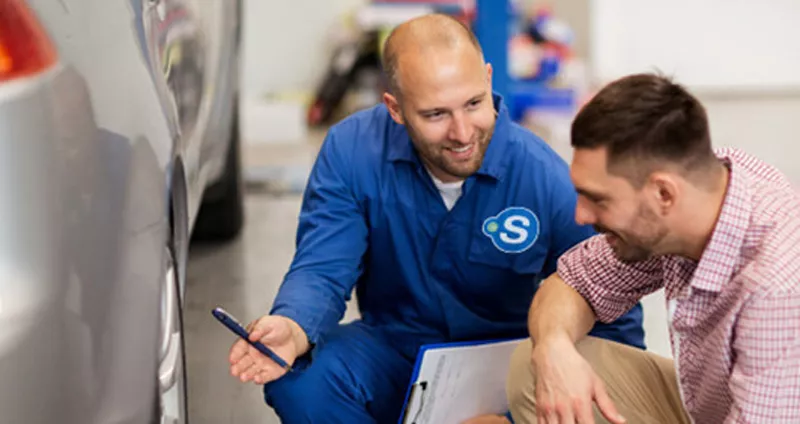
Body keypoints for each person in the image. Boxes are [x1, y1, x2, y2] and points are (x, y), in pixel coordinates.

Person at [228, 14, 644, 423]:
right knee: (301, 379)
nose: (462, 133)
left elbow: (610, 310)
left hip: (510, 367)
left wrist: (517, 416)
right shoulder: (351, 151)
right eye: (435, 115)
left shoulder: (545, 178)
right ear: (395, 107)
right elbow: (323, 266)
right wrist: (293, 324)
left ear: (487, 77)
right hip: (397, 350)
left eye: (474, 103)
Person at [505, 73, 800, 423]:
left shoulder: (776, 290)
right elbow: (574, 282)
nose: (581, 215)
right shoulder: (705, 182)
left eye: (598, 199)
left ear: (664, 194)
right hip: (714, 407)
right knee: (537, 366)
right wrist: (553, 347)